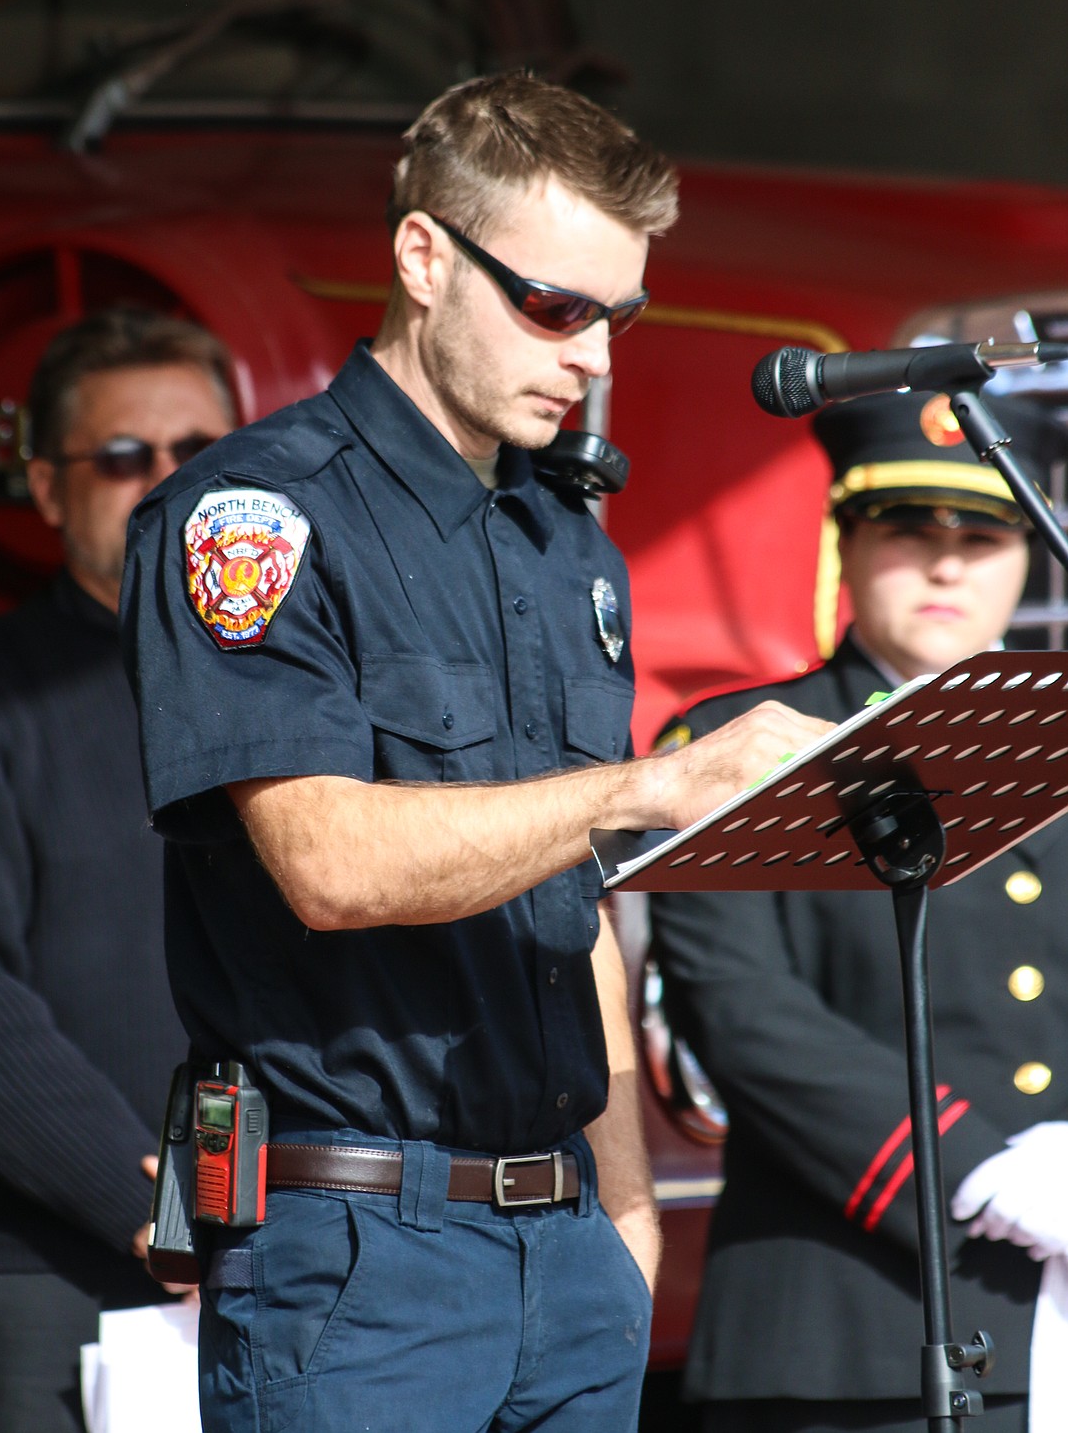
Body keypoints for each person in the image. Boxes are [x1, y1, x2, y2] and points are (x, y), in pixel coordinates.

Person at [119, 70, 829, 1433]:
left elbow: (574, 916)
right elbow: (324, 860)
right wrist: (647, 785)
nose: (595, 357)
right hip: (356, 1253)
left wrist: (623, 1218)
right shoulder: (253, 516)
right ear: (423, 256)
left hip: (563, 1242)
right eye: (555, 307)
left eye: (618, 315)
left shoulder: (567, 540)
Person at [650, 385, 1068, 1433]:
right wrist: (979, 1173)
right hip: (851, 1326)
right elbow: (743, 1012)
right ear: (845, 538)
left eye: (983, 533)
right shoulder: (743, 743)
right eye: (907, 527)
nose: (946, 563)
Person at [0, 307, 237, 1433]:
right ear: (46, 489)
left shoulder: (311, 697)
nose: (168, 480)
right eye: (124, 457)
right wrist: (149, 1202)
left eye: (199, 451)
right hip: (48, 1285)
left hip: (293, 1276)